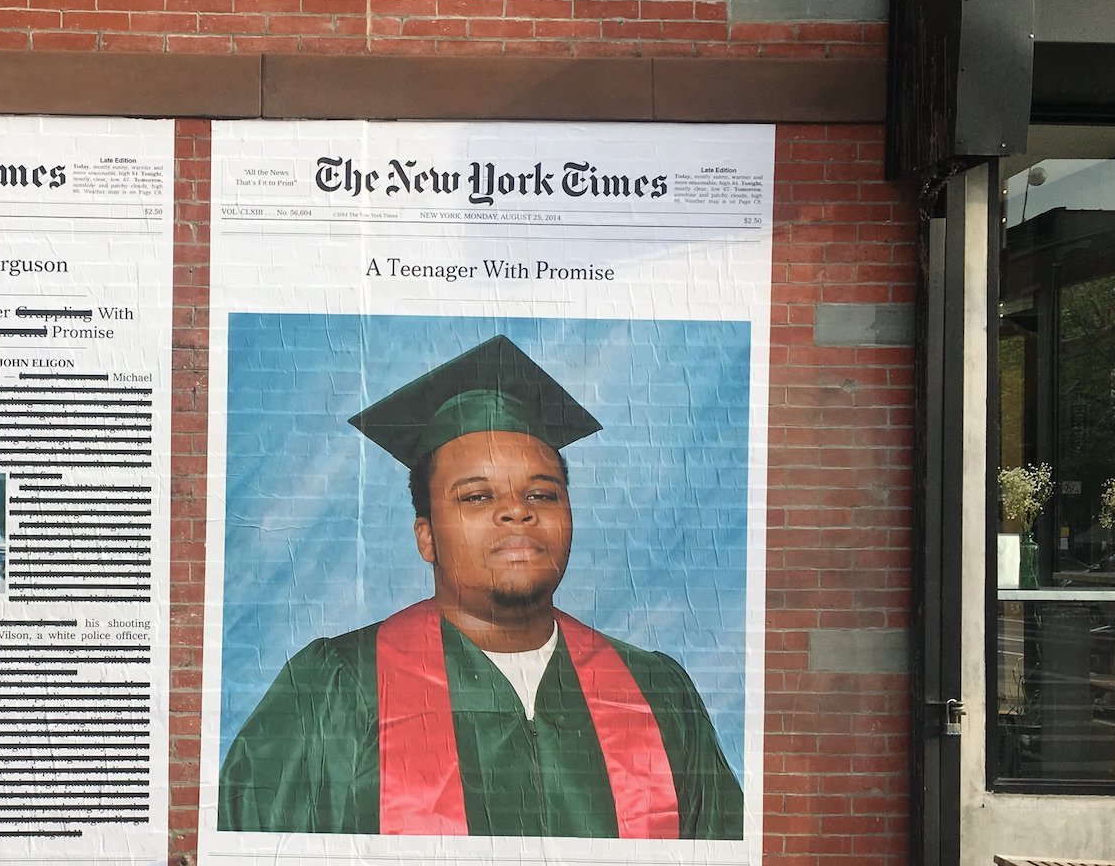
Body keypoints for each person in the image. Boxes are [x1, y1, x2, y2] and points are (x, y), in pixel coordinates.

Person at [218, 335, 742, 839]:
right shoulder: (335, 691)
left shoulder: (657, 693)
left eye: (543, 494)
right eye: (475, 497)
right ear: (426, 537)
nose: (518, 511)